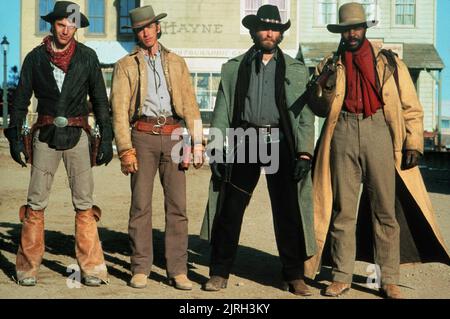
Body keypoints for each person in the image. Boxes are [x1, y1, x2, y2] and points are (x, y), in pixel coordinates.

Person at [305, 2, 450, 299]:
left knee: (384, 210)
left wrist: (413, 142)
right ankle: (342, 276)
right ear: (341, 33)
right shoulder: (328, 64)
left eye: (356, 28)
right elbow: (318, 108)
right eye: (346, 30)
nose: (352, 34)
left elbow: (411, 105)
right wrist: (325, 86)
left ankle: (388, 279)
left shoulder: (389, 62)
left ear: (365, 29)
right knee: (343, 211)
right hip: (342, 130)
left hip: (379, 131)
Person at [200, 4, 316, 296]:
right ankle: (219, 272)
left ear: (281, 33)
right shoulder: (234, 68)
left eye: (275, 28)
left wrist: (304, 153)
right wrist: (215, 149)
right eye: (264, 27)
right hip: (246, 138)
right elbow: (222, 111)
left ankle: (294, 275)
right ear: (253, 31)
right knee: (231, 208)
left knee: (288, 209)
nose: (269, 33)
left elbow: (304, 117)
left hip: (280, 140)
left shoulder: (295, 69)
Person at [4, 1, 113, 286]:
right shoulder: (35, 58)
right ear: (53, 25)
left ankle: (91, 268)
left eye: (71, 25)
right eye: (61, 25)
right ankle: (27, 267)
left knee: (84, 203)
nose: (66, 30)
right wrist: (15, 136)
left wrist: (106, 136)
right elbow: (20, 100)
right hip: (45, 134)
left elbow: (100, 100)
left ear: (77, 27)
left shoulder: (88, 57)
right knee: (36, 201)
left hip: (78, 134)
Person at [110, 5, 204, 290]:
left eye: (150, 26)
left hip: (175, 134)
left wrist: (197, 143)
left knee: (178, 206)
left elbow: (190, 104)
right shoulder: (125, 65)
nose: (146, 32)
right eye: (140, 29)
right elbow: (119, 109)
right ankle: (140, 267)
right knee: (140, 204)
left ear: (158, 27)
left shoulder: (176, 62)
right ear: (136, 33)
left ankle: (177, 270)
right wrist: (125, 149)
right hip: (142, 135)